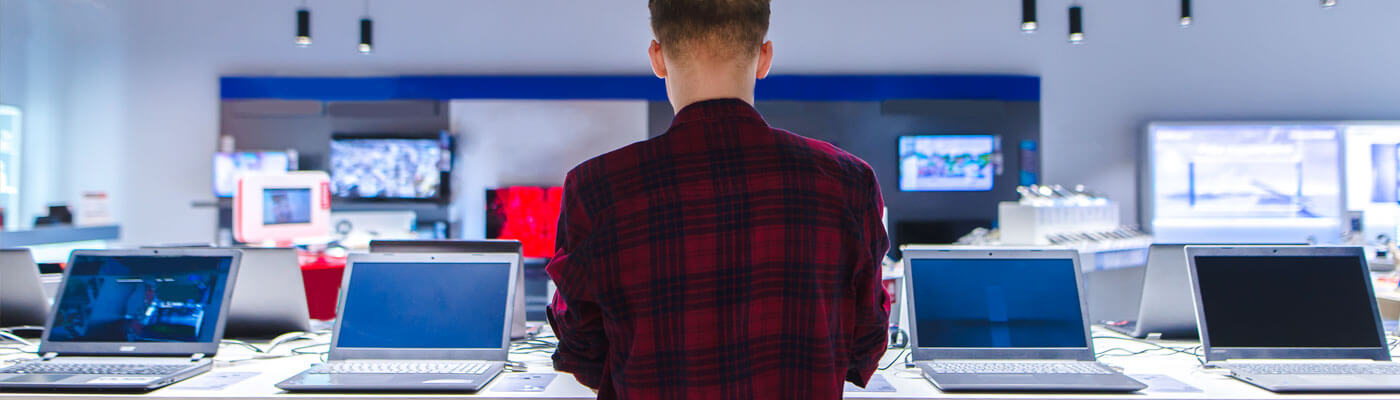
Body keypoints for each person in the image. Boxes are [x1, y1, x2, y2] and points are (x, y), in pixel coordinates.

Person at [546, 0, 890, 398]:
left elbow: (582, 348)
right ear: (764, 58)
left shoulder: (595, 189)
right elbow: (865, 343)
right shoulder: (848, 183)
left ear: (657, 57)